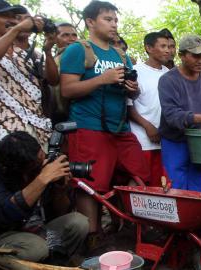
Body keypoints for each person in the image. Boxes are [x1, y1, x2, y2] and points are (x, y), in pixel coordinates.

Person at [59, 0, 149, 248]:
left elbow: (131, 93)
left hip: (120, 129)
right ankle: (91, 237)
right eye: (108, 19)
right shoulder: (78, 50)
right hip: (88, 127)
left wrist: (132, 89)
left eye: (115, 20)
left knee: (139, 173)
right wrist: (102, 79)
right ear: (90, 22)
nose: (114, 24)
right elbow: (67, 90)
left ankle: (128, 226)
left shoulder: (120, 54)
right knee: (91, 185)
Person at [0, 131, 88, 263]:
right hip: (0, 235)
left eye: (42, 158)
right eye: (36, 167)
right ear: (19, 170)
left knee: (78, 222)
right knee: (37, 248)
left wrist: (60, 189)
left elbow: (59, 213)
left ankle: (55, 262)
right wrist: (42, 179)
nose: (43, 166)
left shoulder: (41, 165)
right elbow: (2, 215)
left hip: (41, 232)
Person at [0, 0, 52, 157]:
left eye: (14, 16)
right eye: (5, 16)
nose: (12, 20)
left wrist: (48, 48)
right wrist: (17, 29)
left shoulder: (27, 55)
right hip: (0, 135)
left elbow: (52, 81)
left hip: (36, 134)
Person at [158, 34, 201, 192]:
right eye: (195, 56)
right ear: (182, 56)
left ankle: (199, 216)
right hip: (175, 141)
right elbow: (171, 114)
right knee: (175, 187)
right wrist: (197, 118)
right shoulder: (168, 80)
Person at [129, 31, 170, 187]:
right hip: (142, 138)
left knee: (160, 183)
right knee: (141, 181)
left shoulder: (169, 73)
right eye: (162, 46)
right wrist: (147, 126)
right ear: (149, 48)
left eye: (168, 46)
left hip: (164, 138)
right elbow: (128, 105)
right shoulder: (135, 72)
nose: (167, 50)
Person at [50, 22, 78, 124]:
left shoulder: (83, 56)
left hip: (75, 114)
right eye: (65, 35)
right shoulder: (52, 59)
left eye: (74, 35)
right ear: (55, 38)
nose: (71, 39)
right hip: (56, 115)